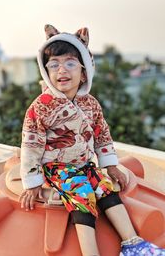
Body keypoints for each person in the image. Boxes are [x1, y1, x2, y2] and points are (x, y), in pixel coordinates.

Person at [19, 24, 165, 256]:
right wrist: (32, 181)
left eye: (70, 63)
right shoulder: (41, 107)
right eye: (54, 65)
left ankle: (134, 243)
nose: (61, 70)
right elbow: (31, 145)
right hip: (57, 167)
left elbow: (101, 133)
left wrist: (110, 164)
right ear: (46, 71)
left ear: (84, 70)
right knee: (83, 193)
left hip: (85, 164)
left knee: (105, 188)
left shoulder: (90, 103)